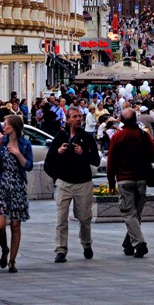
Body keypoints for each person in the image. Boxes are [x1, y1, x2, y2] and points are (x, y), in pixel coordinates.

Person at [45, 106, 100, 263]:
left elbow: (95, 160)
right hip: (64, 182)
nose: (78, 119)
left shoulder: (87, 138)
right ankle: (61, 250)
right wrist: (59, 151)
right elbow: (50, 159)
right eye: (74, 116)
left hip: (83, 182)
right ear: (67, 119)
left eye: (80, 117)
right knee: (61, 218)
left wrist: (83, 153)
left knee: (84, 217)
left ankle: (86, 243)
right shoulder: (60, 136)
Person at [0, 114, 34, 273]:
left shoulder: (25, 144)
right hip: (1, 185)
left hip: (17, 186)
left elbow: (29, 166)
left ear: (13, 126)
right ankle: (4, 248)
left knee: (15, 224)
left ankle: (12, 260)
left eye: (5, 124)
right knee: (0, 225)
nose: (3, 126)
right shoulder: (0, 142)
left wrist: (18, 153)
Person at [107, 108, 154, 258]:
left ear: (122, 121)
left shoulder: (117, 137)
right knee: (136, 214)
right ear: (136, 119)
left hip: (124, 179)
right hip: (141, 179)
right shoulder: (144, 135)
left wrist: (111, 182)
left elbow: (111, 162)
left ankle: (139, 244)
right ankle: (128, 244)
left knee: (129, 213)